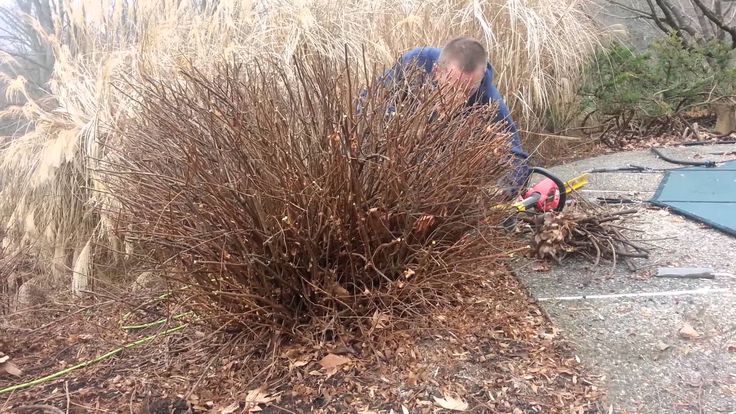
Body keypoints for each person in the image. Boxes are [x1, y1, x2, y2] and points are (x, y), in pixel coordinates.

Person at [379, 37, 558, 207]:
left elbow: (517, 157)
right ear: (436, 72)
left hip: (445, 176)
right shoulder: (415, 63)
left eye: (467, 92)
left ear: (479, 80)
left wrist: (500, 192)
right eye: (453, 87)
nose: (458, 98)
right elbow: (368, 103)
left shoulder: (488, 99)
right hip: (396, 162)